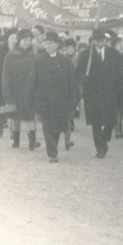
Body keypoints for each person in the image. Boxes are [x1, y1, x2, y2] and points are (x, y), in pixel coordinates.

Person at [26, 31, 79, 163]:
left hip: (61, 100)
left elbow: (72, 83)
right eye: (46, 43)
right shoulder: (38, 61)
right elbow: (32, 82)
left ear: (57, 44)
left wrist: (74, 101)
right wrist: (29, 100)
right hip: (44, 100)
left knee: (58, 127)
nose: (48, 45)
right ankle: (52, 153)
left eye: (51, 43)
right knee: (47, 126)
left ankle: (53, 146)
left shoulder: (66, 62)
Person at [76, 28, 123, 158]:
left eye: (102, 39)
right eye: (97, 40)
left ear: (105, 40)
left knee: (110, 120)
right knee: (95, 121)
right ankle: (100, 148)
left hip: (110, 91)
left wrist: (120, 89)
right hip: (92, 92)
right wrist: (83, 78)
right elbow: (78, 72)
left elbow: (119, 72)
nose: (100, 42)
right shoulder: (86, 54)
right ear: (93, 41)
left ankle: (105, 137)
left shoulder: (113, 53)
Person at [2, 29, 41, 150]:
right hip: (15, 91)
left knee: (30, 117)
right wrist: (6, 93)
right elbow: (5, 76)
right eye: (24, 40)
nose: (27, 42)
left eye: (29, 40)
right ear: (18, 41)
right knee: (15, 117)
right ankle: (16, 141)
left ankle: (32, 141)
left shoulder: (34, 55)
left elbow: (39, 74)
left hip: (30, 91)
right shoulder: (10, 56)